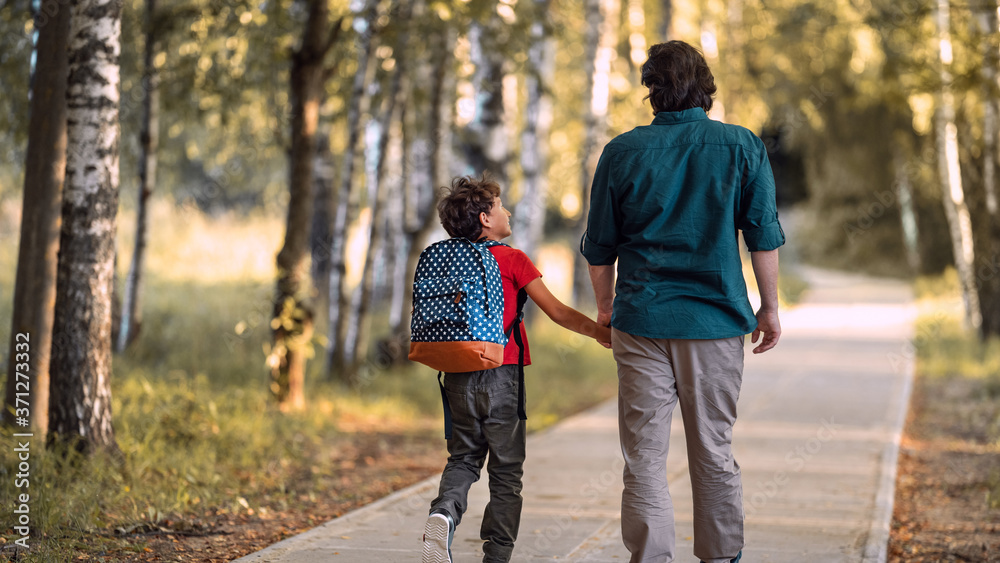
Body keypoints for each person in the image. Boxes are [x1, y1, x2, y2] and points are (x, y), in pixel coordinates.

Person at [581, 41, 784, 563]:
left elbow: (599, 247)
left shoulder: (622, 152)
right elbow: (762, 236)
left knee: (644, 457)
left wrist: (605, 309)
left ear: (652, 90)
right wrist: (769, 308)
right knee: (713, 449)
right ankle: (721, 556)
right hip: (714, 322)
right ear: (705, 87)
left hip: (641, 321)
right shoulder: (741, 146)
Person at [422, 174, 612, 563]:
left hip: (456, 373)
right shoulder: (512, 259)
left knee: (463, 458)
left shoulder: (446, 260)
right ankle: (497, 556)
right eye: (499, 206)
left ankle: (443, 514)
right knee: (506, 471)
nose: (506, 211)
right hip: (501, 375)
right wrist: (602, 333)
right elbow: (557, 311)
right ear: (485, 219)